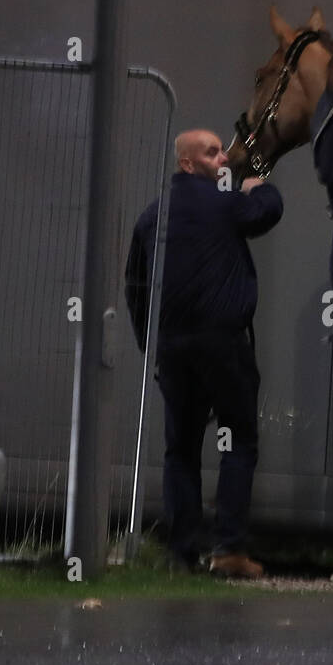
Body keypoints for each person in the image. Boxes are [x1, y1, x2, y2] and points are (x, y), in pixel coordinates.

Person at [124, 128, 283, 579]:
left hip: (173, 350)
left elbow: (136, 288)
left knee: (182, 450)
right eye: (212, 154)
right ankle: (229, 548)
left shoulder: (152, 216)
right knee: (240, 441)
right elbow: (268, 212)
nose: (223, 161)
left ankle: (182, 553)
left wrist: (150, 347)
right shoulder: (225, 204)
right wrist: (259, 186)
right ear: (188, 164)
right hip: (223, 344)